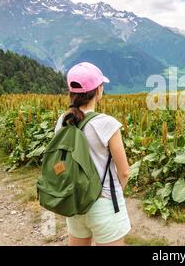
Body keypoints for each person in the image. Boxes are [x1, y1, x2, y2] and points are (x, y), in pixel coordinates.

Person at [54, 62, 131, 246]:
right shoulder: (107, 123)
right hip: (104, 203)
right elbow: (125, 172)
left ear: (71, 92)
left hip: (75, 202)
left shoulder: (62, 121)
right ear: (98, 91)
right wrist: (114, 194)